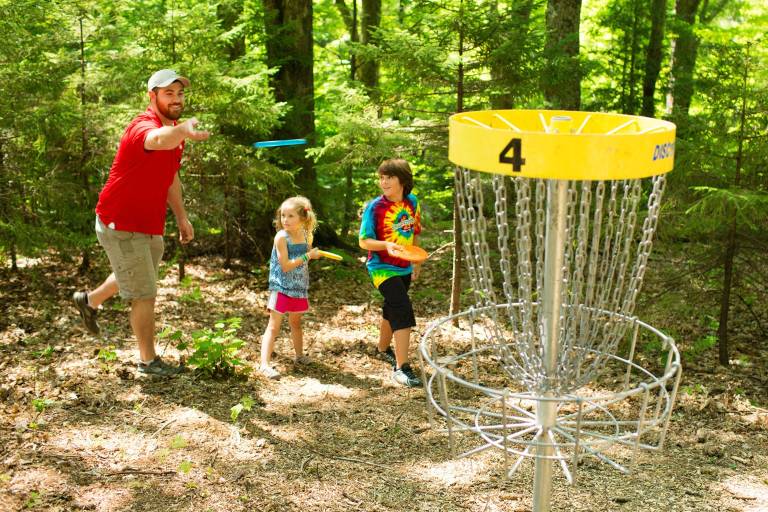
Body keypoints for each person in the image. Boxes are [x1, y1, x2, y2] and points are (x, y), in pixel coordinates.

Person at [72, 69, 209, 376]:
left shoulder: (174, 130)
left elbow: (170, 175)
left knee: (137, 273)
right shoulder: (143, 126)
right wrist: (183, 130)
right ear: (153, 97)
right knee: (144, 293)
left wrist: (182, 216)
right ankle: (148, 362)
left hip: (147, 222)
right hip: (120, 222)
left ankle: (89, 301)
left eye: (179, 93)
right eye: (168, 93)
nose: (176, 99)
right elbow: (157, 140)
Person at [359, 158, 423, 387]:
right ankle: (401, 367)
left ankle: (382, 348)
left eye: (389, 178)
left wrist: (416, 263)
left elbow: (415, 232)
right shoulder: (374, 208)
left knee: (391, 305)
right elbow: (364, 241)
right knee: (401, 306)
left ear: (403, 180)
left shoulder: (412, 202)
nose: (383, 182)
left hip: (404, 266)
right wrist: (386, 245)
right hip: (381, 267)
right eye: (381, 178)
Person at [259, 196, 320, 379]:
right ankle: (264, 364)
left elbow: (302, 263)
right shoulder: (281, 237)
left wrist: (309, 255)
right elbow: (285, 265)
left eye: (290, 216)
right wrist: (309, 256)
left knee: (296, 323)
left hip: (298, 287)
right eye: (283, 215)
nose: (285, 220)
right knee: (273, 326)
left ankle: (299, 356)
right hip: (281, 287)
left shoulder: (306, 235)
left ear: (303, 218)